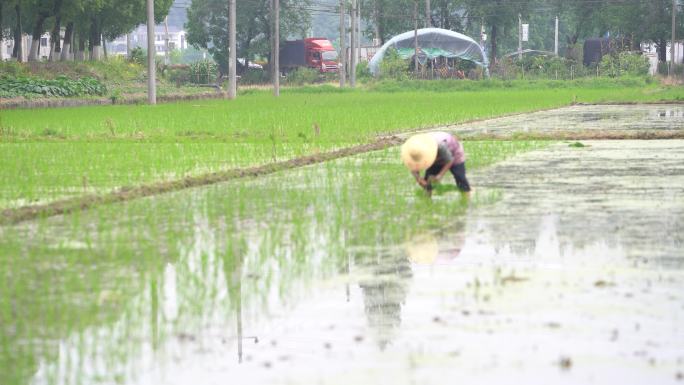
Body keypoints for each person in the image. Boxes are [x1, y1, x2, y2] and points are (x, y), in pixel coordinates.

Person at [400, 132, 471, 194]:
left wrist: (440, 175)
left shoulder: (440, 145)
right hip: (435, 156)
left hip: (454, 153)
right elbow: (413, 166)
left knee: (459, 176)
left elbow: (450, 160)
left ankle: (466, 196)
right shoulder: (415, 150)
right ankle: (427, 201)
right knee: (428, 179)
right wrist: (418, 179)